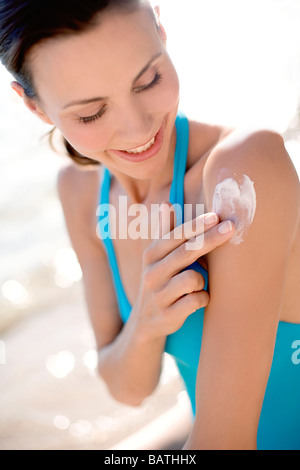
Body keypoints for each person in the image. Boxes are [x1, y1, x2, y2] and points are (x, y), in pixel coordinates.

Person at [0, 0, 299, 450]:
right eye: (90, 114)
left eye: (148, 80)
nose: (138, 129)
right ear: (34, 106)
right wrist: (146, 319)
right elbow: (127, 388)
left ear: (160, 27)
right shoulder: (82, 193)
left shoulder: (243, 170)